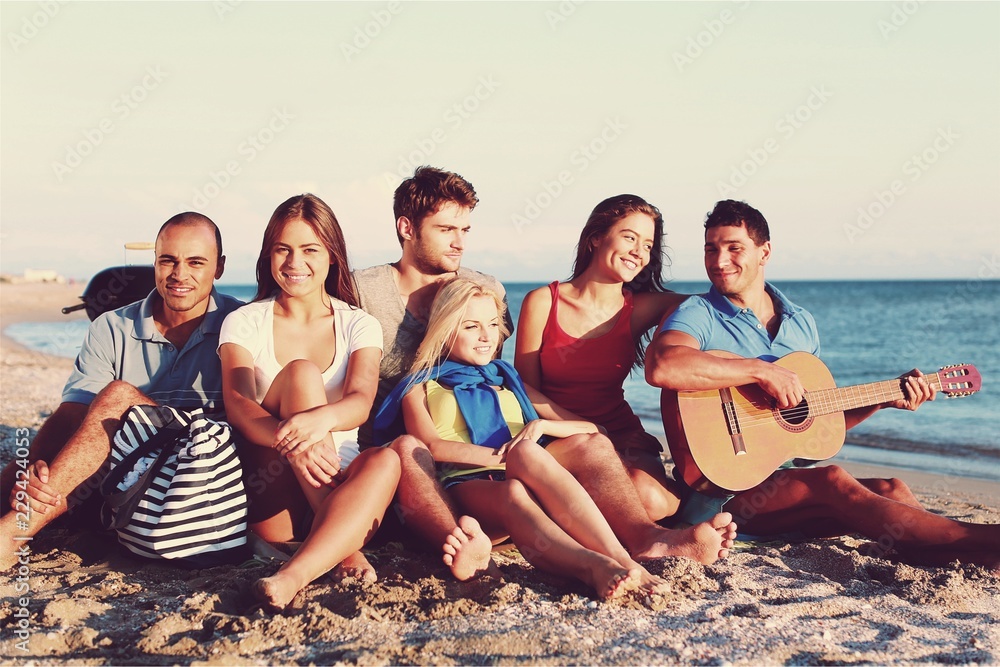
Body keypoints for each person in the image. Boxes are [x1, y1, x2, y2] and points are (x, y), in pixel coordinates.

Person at [354, 167, 736, 573]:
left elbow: (507, 391)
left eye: (465, 229)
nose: (459, 242)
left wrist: (752, 353)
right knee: (413, 453)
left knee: (614, 469)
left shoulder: (484, 289)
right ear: (406, 227)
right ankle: (470, 539)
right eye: (447, 229)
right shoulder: (363, 290)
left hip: (512, 449)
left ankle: (646, 540)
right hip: (422, 461)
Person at [645, 199, 1000, 568]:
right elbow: (663, 366)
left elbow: (809, 427)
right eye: (711, 249)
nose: (719, 261)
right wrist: (762, 371)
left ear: (764, 252)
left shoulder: (801, 323)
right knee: (832, 479)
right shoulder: (698, 312)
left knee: (891, 489)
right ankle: (983, 539)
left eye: (734, 248)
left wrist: (884, 398)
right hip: (724, 492)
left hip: (784, 486)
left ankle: (956, 553)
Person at [379, 278, 670, 599]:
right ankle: (591, 566)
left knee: (545, 458)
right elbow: (430, 446)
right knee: (518, 478)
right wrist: (510, 455)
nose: (487, 336)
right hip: (469, 488)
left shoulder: (506, 378)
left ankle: (622, 559)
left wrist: (542, 428)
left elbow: (591, 430)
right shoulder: (421, 384)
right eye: (472, 326)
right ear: (445, 329)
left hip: (532, 474)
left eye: (492, 324)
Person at [1, 213, 243, 569]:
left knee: (117, 397)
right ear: (155, 262)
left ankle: (14, 533)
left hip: (201, 477)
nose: (179, 274)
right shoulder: (112, 326)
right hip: (121, 475)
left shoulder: (241, 324)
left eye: (196, 262)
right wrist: (37, 465)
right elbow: (73, 412)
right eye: (168, 261)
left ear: (219, 267)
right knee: (17, 472)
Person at [218, 194, 400, 611]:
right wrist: (291, 440)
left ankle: (295, 574)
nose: (294, 262)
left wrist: (317, 423)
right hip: (276, 488)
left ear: (332, 256)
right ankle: (342, 548)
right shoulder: (245, 321)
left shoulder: (358, 323)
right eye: (283, 249)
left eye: (309, 249)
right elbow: (240, 406)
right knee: (301, 373)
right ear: (269, 255)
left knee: (388, 461)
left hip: (344, 483)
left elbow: (360, 402)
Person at [515, 194, 688, 521]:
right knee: (607, 497)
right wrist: (586, 428)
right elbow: (524, 388)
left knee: (652, 499)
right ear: (596, 238)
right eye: (629, 237)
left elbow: (715, 308)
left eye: (648, 245)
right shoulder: (543, 301)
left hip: (622, 434)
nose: (639, 251)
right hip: (558, 435)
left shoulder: (638, 309)